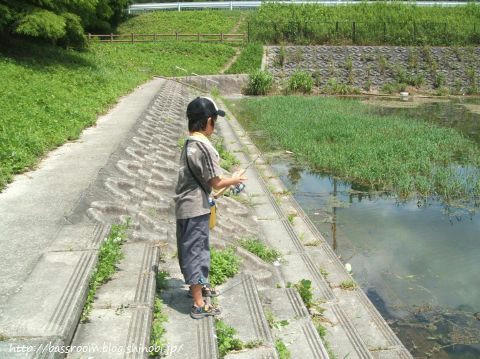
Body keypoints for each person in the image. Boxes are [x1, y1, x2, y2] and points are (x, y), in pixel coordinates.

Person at [174, 97, 247, 319]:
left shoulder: (189, 143)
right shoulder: (204, 146)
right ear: (207, 121)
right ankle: (198, 303)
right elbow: (215, 183)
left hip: (187, 206)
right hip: (195, 209)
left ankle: (200, 287)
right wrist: (235, 180)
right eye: (214, 121)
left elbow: (207, 181)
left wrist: (227, 181)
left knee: (194, 249)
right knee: (196, 251)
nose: (214, 126)